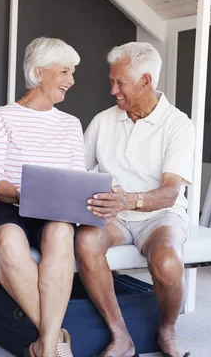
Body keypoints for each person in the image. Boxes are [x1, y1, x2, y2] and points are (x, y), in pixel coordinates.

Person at [77, 42, 194, 357]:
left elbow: (171, 192)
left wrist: (130, 200)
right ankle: (121, 338)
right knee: (86, 241)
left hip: (160, 216)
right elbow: (77, 168)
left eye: (120, 83)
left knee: (168, 262)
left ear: (146, 82)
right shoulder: (103, 121)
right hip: (114, 215)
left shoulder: (178, 125)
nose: (113, 89)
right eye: (111, 81)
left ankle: (167, 331)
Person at [0, 37, 86, 357]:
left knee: (62, 232)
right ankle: (53, 340)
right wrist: (23, 193)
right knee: (10, 239)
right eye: (64, 71)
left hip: (54, 209)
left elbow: (77, 178)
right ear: (39, 72)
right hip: (5, 206)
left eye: (72, 73)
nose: (71, 80)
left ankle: (44, 345)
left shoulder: (70, 124)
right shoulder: (3, 117)